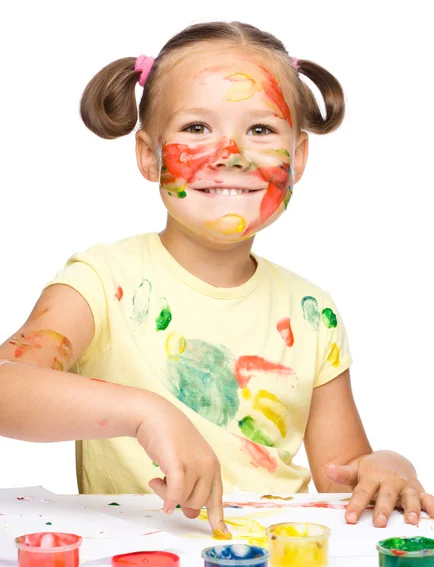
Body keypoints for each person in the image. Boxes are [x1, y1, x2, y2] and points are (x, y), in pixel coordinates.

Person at [1, 21, 432, 538]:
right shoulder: (100, 281)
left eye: (261, 130)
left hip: (272, 565)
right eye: (197, 128)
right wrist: (144, 412)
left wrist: (386, 466)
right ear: (147, 155)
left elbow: (343, 479)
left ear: (296, 158)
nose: (231, 153)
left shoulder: (313, 313)